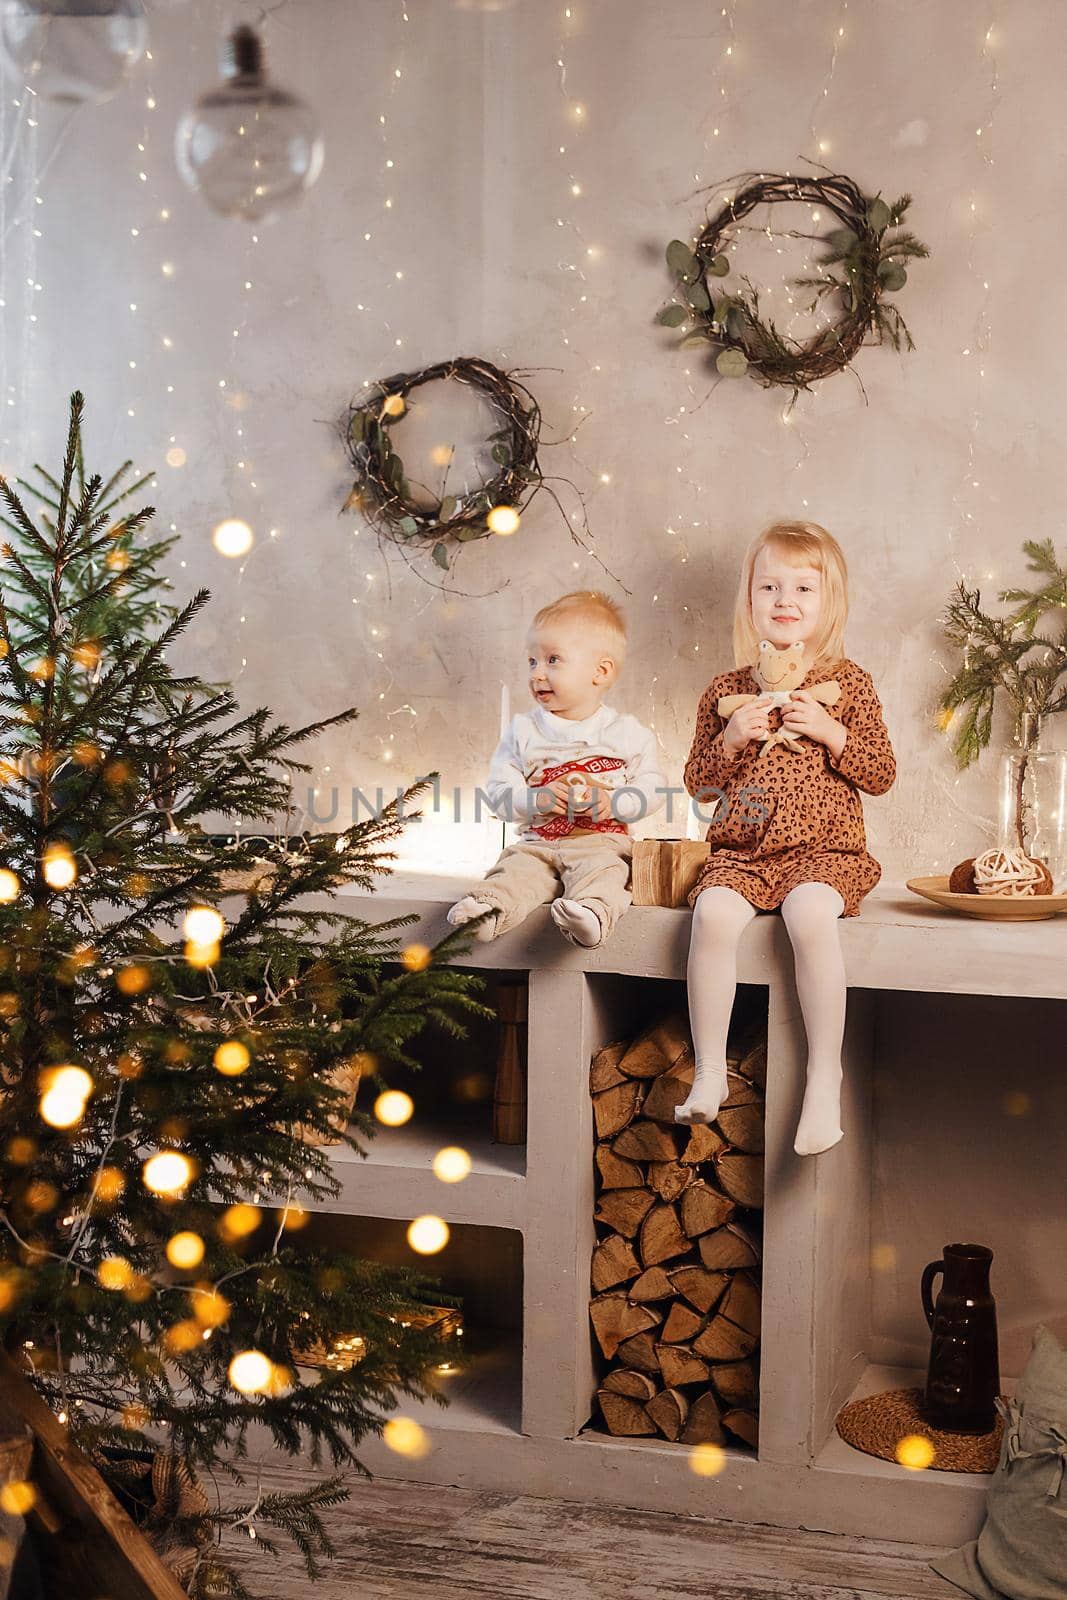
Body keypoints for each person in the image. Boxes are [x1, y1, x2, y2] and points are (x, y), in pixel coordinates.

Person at [677, 521, 896, 1155]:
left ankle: (825, 1075)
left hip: (825, 853)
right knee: (712, 915)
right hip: (744, 854)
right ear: (749, 599)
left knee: (808, 916)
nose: (785, 599)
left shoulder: (846, 682)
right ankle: (711, 1071)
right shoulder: (726, 690)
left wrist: (831, 732)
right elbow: (697, 783)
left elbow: (880, 773)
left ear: (829, 603)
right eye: (769, 586)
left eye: (803, 586)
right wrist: (730, 739)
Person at [446, 590, 666, 949]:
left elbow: (654, 786)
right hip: (538, 843)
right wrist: (537, 799)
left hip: (600, 841)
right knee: (514, 870)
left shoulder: (625, 732)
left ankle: (592, 914)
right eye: (532, 661)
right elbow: (499, 795)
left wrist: (617, 803)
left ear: (601, 671)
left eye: (552, 660)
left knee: (609, 873)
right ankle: (487, 914)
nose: (537, 674)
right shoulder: (523, 732)